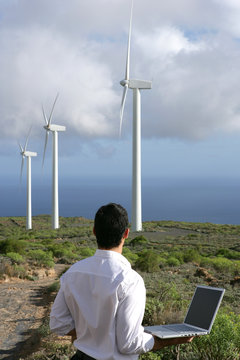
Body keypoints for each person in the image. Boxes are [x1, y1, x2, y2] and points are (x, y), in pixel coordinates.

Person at [50, 203, 193, 360]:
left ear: (94, 232)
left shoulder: (73, 272)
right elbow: (129, 344)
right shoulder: (130, 281)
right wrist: (173, 339)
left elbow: (58, 323)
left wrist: (92, 332)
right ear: (126, 233)